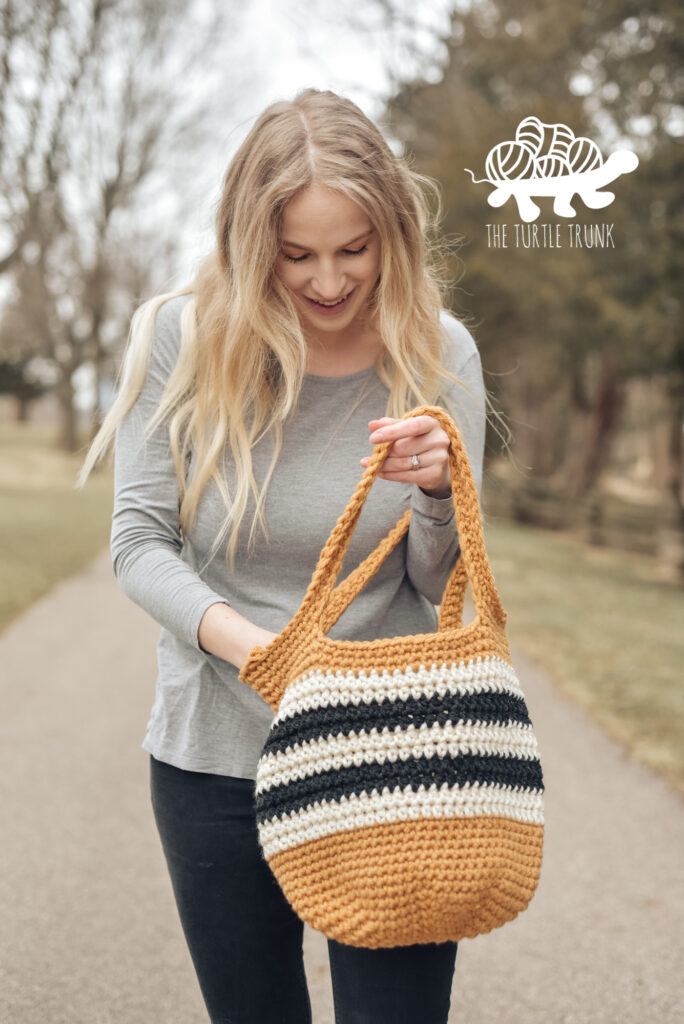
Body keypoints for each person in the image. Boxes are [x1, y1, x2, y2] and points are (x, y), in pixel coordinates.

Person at [79, 87, 487, 1024]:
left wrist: (435, 493)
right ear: (248, 242)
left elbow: (438, 581)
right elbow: (139, 544)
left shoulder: (440, 350)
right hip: (217, 756)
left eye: (355, 248)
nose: (330, 282)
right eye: (295, 255)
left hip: (392, 753)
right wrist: (258, 651)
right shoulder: (181, 338)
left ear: (394, 231)